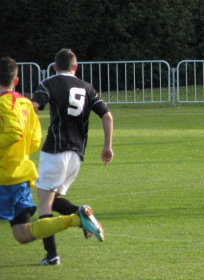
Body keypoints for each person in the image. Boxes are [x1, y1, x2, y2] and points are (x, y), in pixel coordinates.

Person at [0, 57, 103, 251]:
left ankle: (53, 254)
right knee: (22, 234)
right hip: (22, 173)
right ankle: (75, 219)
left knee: (45, 207)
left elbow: (14, 132)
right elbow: (35, 139)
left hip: (6, 176)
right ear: (16, 81)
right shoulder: (25, 103)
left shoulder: (4, 104)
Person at [32, 49, 114, 265]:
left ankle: (52, 256)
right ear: (75, 67)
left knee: (44, 205)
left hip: (55, 151)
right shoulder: (87, 87)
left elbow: (33, 107)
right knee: (53, 199)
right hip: (76, 155)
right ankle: (81, 214)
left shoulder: (49, 82)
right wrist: (107, 147)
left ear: (55, 66)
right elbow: (107, 116)